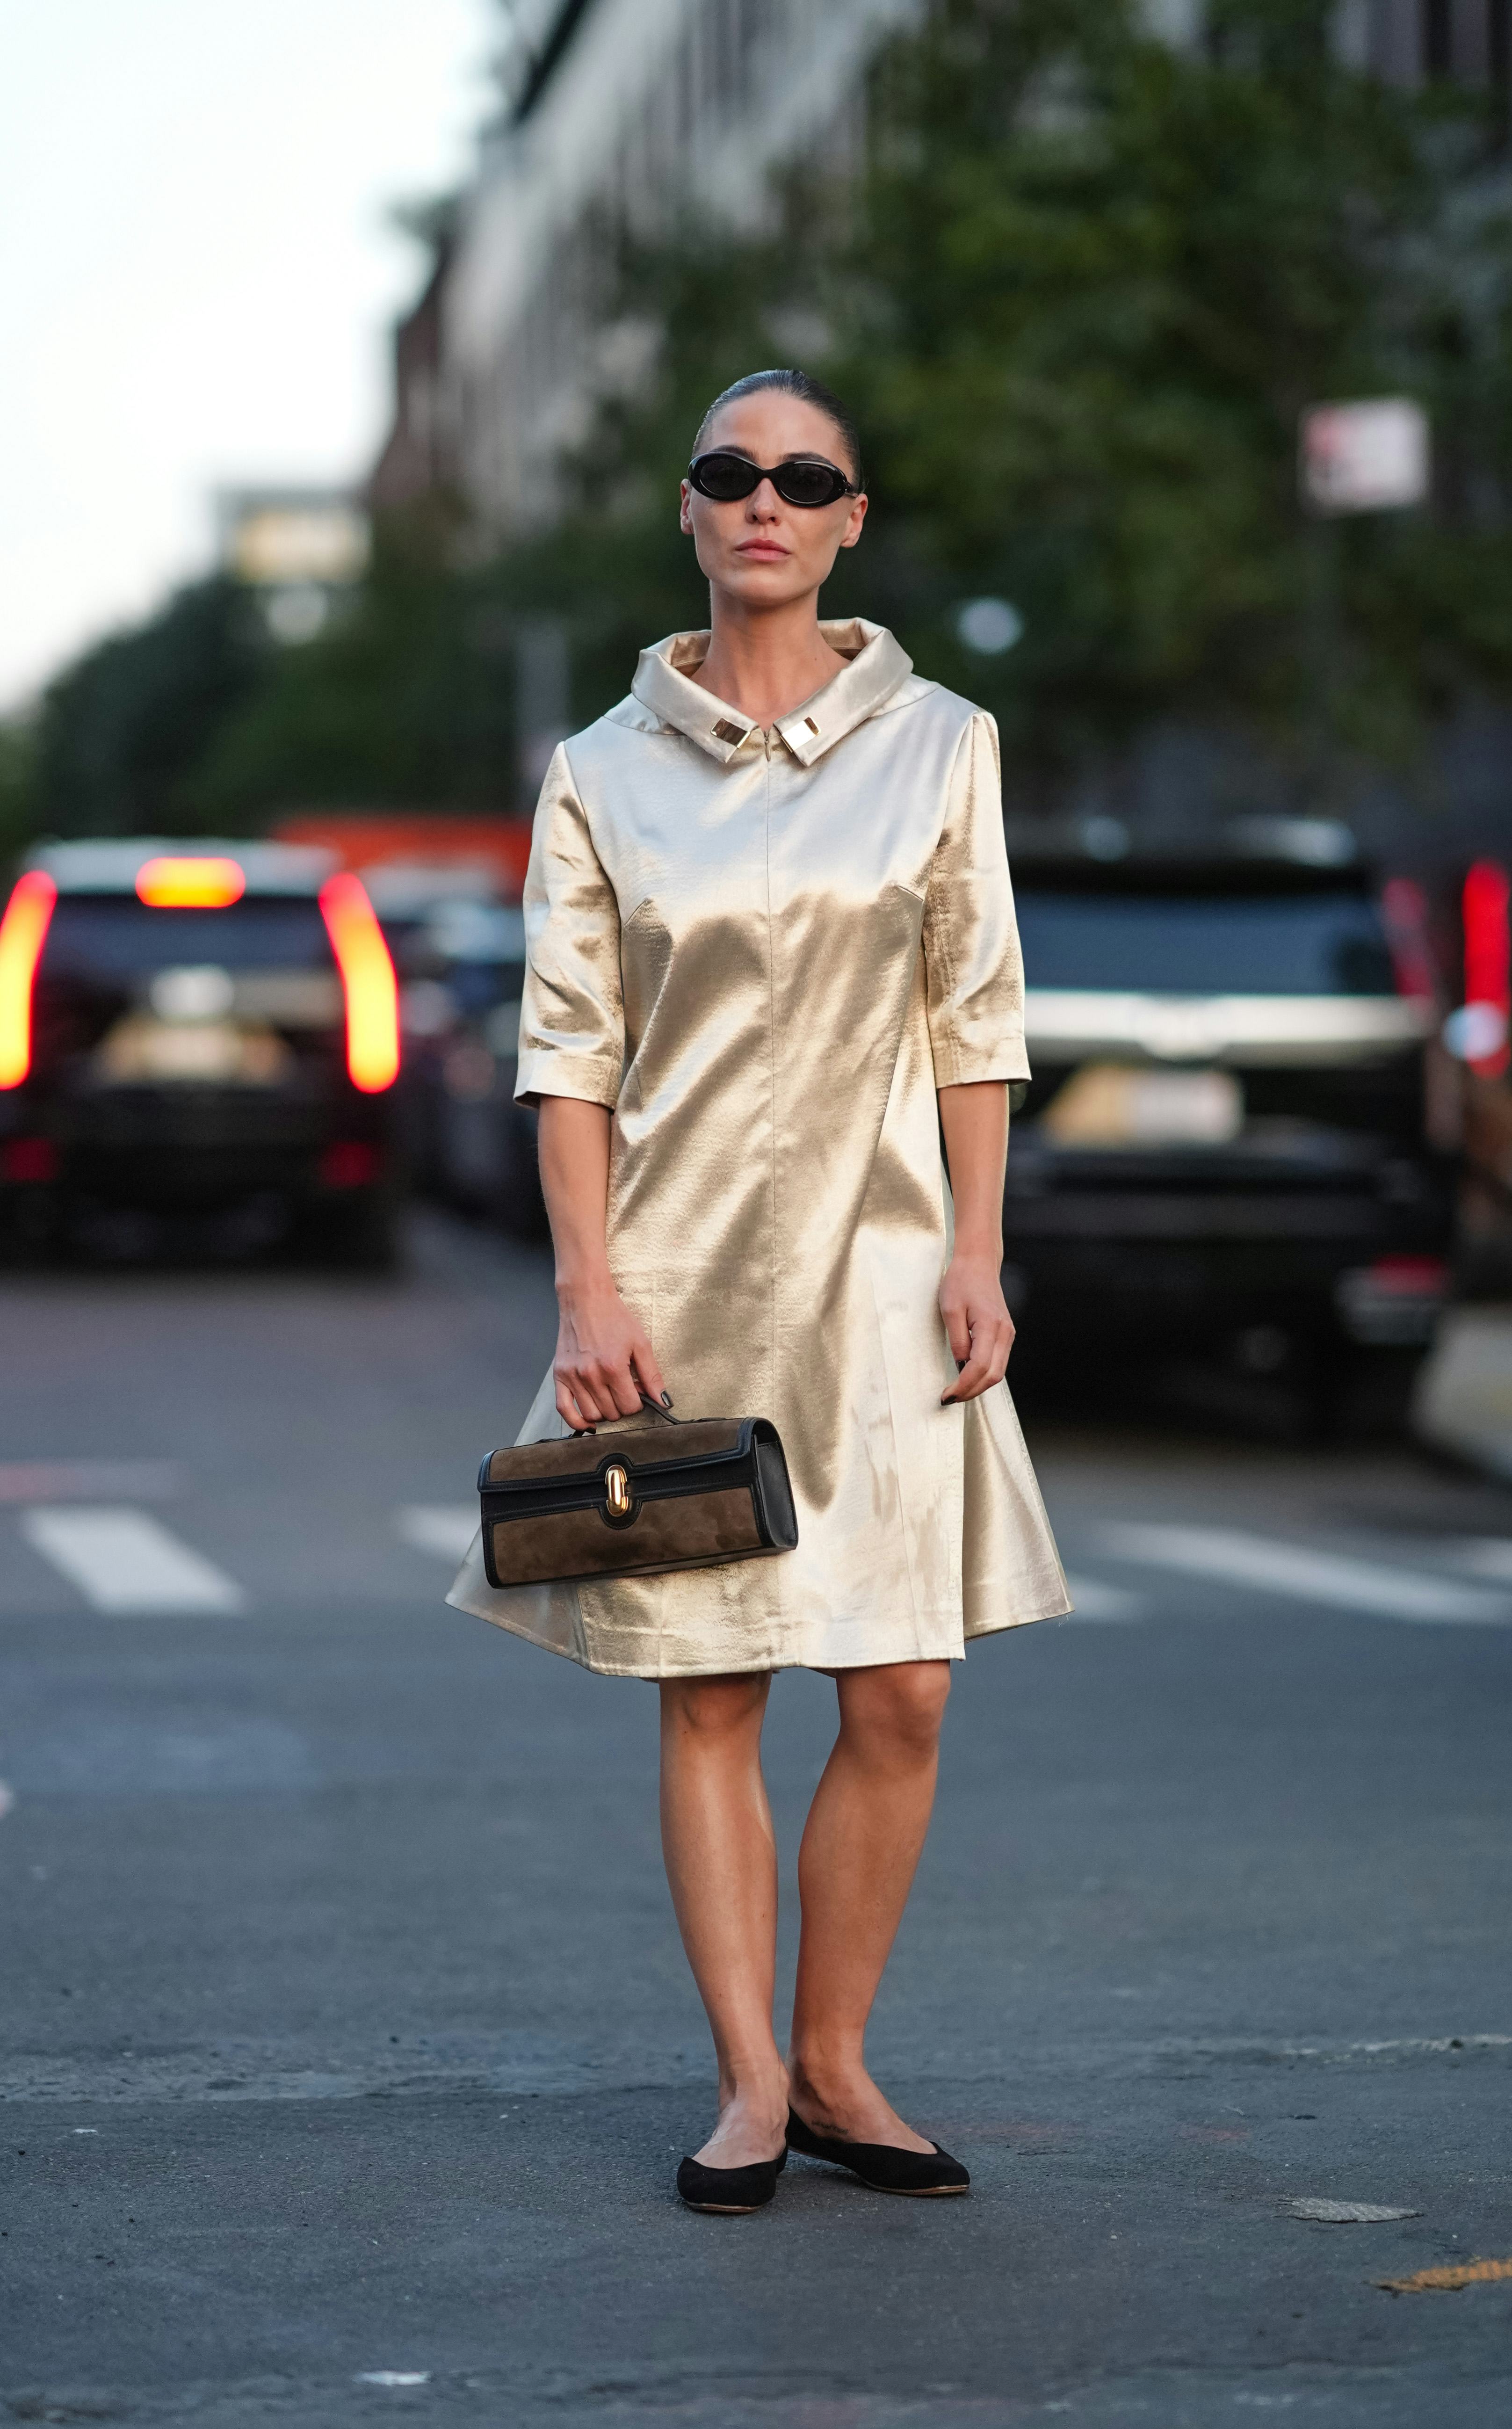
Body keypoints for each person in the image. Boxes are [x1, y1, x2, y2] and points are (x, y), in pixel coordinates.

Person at [448, 368, 1070, 2213]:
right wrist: (583, 1295)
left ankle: (836, 2064)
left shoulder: (942, 743)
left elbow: (974, 1016)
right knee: (710, 1686)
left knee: (899, 1693)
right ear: (693, 508)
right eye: (731, 472)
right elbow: (566, 1052)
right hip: (679, 1284)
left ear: (852, 518)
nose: (765, 502)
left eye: (805, 477)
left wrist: (976, 1244)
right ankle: (743, 2083)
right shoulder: (599, 770)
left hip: (887, 1280)